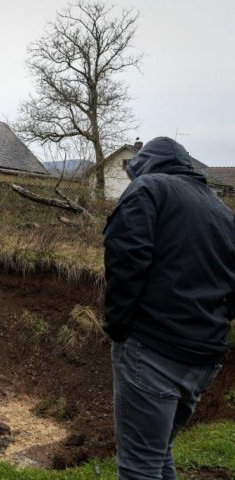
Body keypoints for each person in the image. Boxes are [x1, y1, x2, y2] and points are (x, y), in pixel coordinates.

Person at [103, 136, 235, 479]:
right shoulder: (221, 211)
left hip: (152, 349)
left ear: (144, 165)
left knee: (138, 466)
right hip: (204, 356)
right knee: (158, 454)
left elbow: (126, 259)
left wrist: (119, 327)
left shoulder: (148, 189)